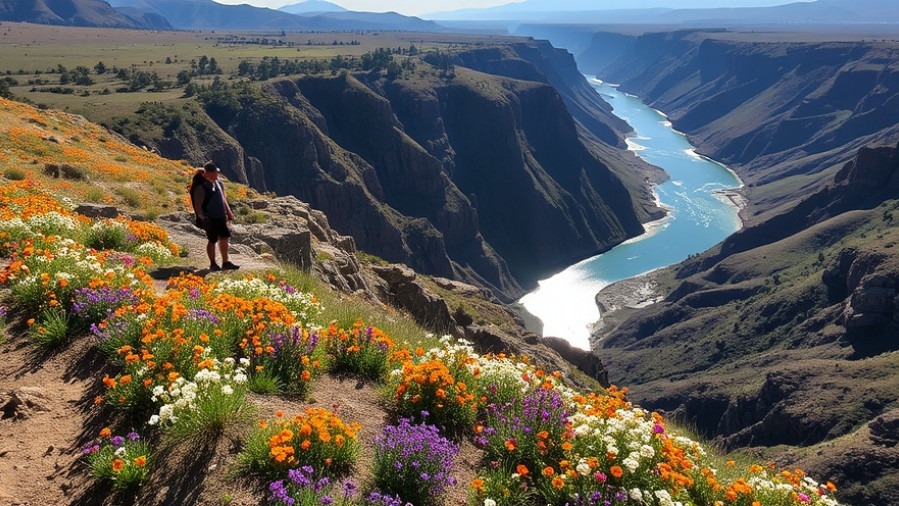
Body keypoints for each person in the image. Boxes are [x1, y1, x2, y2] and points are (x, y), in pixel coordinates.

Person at [191, 161, 239, 271]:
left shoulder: (219, 184)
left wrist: (229, 212)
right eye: (214, 173)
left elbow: (223, 199)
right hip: (210, 218)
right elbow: (198, 206)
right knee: (212, 240)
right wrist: (202, 218)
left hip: (220, 216)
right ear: (207, 173)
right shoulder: (201, 187)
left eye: (216, 172)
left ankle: (225, 262)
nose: (216, 174)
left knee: (224, 237)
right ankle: (213, 263)